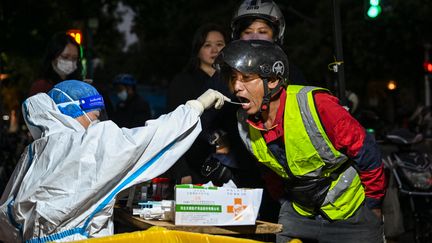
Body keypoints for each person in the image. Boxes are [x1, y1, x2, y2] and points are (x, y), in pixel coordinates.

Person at [0, 80, 228, 242]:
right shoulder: (86, 144)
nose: (97, 122)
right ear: (76, 111)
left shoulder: (37, 150)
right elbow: (147, 140)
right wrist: (195, 107)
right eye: (96, 116)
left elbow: (8, 214)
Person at [215, 40, 386, 243]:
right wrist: (284, 203)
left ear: (272, 81)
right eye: (233, 78)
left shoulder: (316, 105)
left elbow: (367, 152)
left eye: (246, 78)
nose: (236, 87)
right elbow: (268, 170)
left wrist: (373, 204)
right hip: (299, 213)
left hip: (352, 213)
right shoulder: (244, 122)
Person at [166, 23, 233, 185]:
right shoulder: (182, 82)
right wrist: (181, 171)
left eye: (220, 45)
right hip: (193, 167)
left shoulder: (235, 80)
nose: (214, 50)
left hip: (230, 165)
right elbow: (173, 128)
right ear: (198, 50)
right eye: (207, 45)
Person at [230, 0, 307, 85]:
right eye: (248, 32)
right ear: (238, 36)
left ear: (276, 36)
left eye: (262, 32)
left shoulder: (290, 73)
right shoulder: (227, 73)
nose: (255, 38)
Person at [28, 32, 83, 96]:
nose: (70, 62)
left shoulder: (76, 85)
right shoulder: (41, 86)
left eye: (74, 58)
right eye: (65, 57)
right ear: (53, 56)